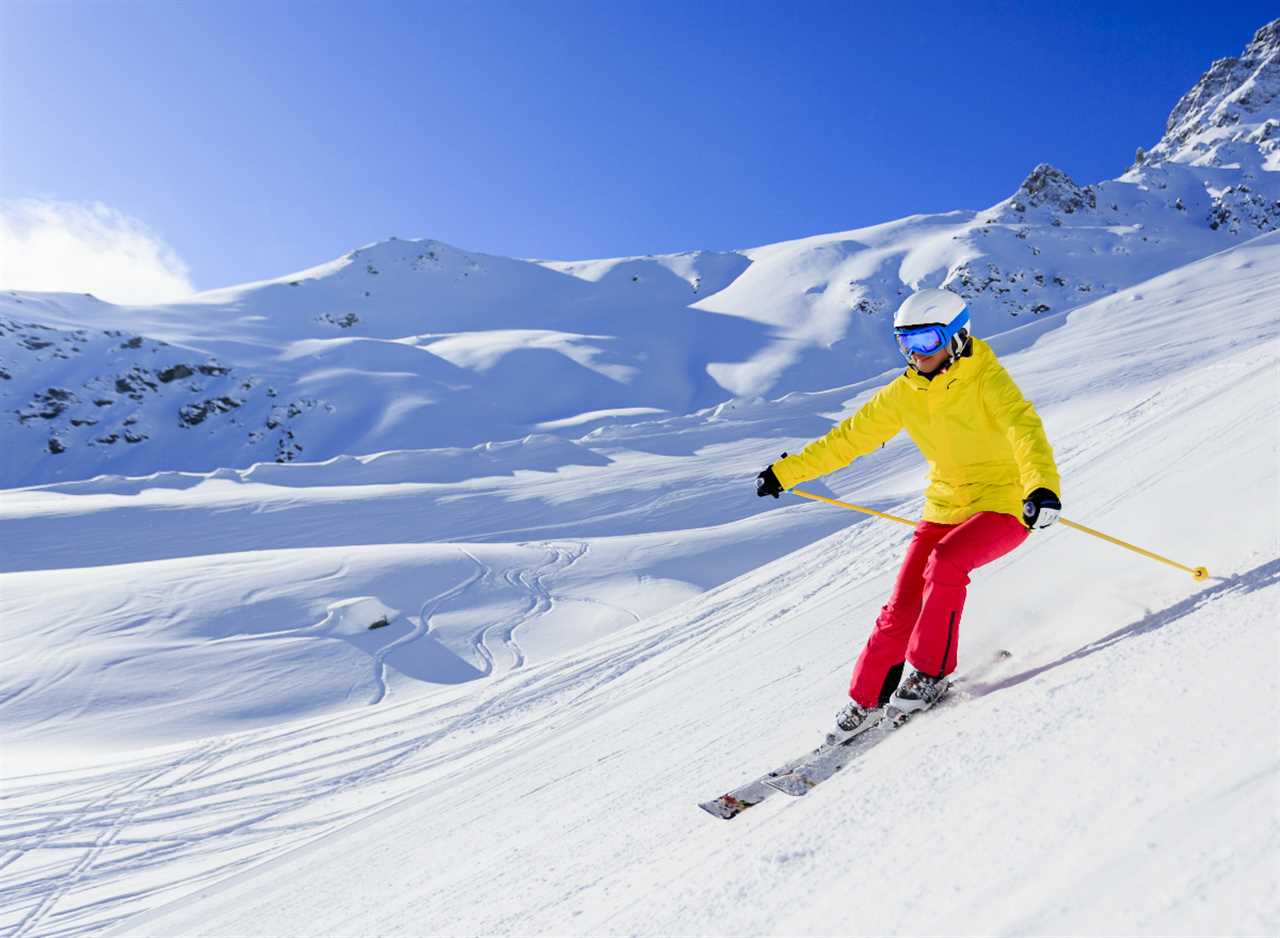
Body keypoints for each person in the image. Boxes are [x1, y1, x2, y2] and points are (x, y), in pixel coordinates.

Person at [755, 287, 1061, 731]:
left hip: (1006, 502)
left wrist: (1042, 488)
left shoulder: (987, 379)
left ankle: (928, 676)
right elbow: (848, 439)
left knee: (947, 562)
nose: (917, 355)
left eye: (927, 342)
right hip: (944, 505)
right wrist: (787, 472)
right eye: (907, 344)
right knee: (902, 605)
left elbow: (1024, 429)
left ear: (957, 337)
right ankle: (868, 699)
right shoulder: (905, 392)